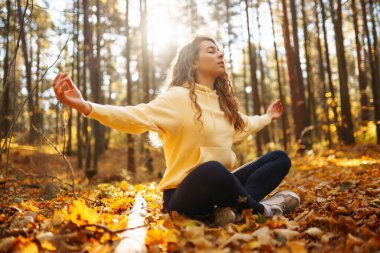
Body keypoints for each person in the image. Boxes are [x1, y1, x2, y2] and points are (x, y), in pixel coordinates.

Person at [52, 36, 300, 225]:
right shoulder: (175, 98)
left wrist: (268, 117)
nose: (220, 54)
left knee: (279, 158)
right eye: (211, 50)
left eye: (220, 50)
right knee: (212, 169)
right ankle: (264, 211)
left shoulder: (223, 105)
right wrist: (87, 107)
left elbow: (247, 125)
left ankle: (231, 212)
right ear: (193, 61)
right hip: (183, 198)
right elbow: (133, 116)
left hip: (220, 188)